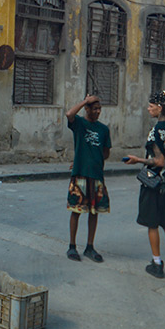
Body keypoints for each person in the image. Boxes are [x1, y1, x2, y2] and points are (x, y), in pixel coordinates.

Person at [123, 90, 165, 279]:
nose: (149, 109)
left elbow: (159, 161)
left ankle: (156, 263)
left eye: (151, 106)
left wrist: (138, 160)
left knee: (152, 224)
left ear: (160, 108)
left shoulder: (156, 131)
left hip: (154, 182)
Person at [63, 94, 111, 263]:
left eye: (99, 109)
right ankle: (72, 246)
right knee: (76, 210)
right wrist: (85, 100)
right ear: (87, 109)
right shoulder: (80, 124)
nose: (97, 112)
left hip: (96, 175)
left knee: (94, 211)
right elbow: (69, 114)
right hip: (80, 173)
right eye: (94, 109)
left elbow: (106, 152)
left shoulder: (104, 129)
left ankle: (90, 246)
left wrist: (92, 158)